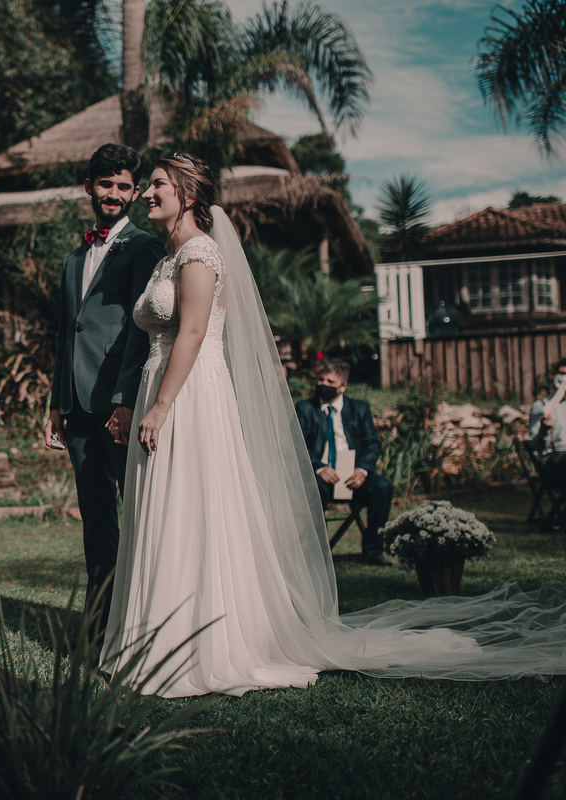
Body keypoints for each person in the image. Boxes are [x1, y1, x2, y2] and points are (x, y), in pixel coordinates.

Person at [100, 153, 566, 698]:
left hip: (188, 395)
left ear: (188, 194)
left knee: (190, 507)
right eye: (150, 184)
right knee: (165, 506)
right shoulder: (167, 256)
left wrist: (160, 406)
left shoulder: (200, 252)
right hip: (164, 384)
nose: (147, 193)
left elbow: (194, 333)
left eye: (158, 184)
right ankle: (153, 638)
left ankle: (198, 643)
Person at [44, 144, 167, 632]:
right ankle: (101, 624)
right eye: (104, 184)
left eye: (122, 186)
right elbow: (64, 333)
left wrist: (125, 400)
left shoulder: (144, 247)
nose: (112, 193)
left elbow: (142, 331)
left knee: (138, 514)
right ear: (89, 188)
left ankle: (142, 621)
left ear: (134, 193)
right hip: (76, 407)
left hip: (117, 404)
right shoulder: (74, 259)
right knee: (96, 521)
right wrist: (56, 404)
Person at [294, 358, 393, 566]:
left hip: (351, 475)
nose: (324, 385)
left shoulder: (359, 409)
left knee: (382, 488)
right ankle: (316, 553)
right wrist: (318, 467)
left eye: (330, 382)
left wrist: (363, 469)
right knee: (315, 490)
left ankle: (372, 550)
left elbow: (373, 443)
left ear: (343, 386)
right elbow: (298, 444)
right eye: (321, 380)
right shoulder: (305, 408)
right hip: (321, 477)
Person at [528, 358, 566, 483]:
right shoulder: (542, 406)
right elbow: (535, 445)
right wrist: (544, 429)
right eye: (561, 374)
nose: (563, 378)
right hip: (552, 461)